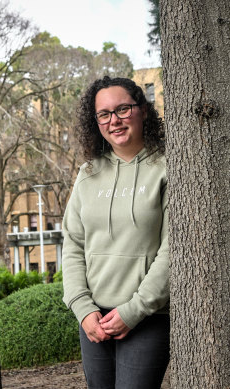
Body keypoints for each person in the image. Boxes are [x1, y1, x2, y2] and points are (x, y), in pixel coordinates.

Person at [62, 76, 169, 389]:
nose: (114, 121)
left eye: (123, 109)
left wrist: (134, 310)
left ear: (143, 111)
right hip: (94, 320)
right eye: (104, 114)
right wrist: (83, 310)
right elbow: (72, 244)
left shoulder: (167, 167)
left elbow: (174, 248)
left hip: (146, 316)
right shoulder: (88, 173)